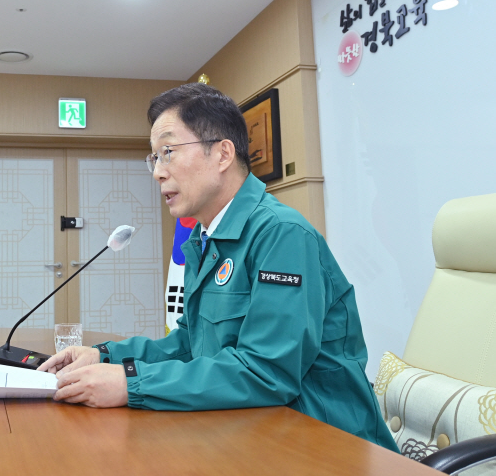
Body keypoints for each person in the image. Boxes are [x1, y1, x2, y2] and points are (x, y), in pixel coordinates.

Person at [38, 83, 398, 451]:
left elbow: (267, 373)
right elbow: (190, 343)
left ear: (223, 153)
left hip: (324, 444)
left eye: (168, 152)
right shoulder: (206, 240)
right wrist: (106, 356)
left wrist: (131, 383)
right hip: (252, 431)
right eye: (154, 159)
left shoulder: (282, 235)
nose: (157, 173)